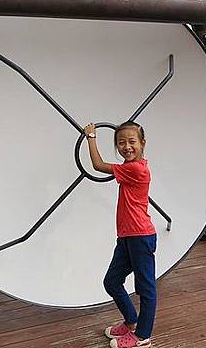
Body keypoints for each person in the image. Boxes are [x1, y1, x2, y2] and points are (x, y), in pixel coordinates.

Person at [84, 120, 156, 348]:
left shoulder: (135, 169)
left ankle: (143, 336)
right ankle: (131, 320)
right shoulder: (129, 168)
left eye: (132, 141)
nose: (126, 146)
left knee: (146, 288)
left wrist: (91, 137)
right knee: (112, 281)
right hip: (127, 237)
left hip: (140, 237)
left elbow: (97, 165)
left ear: (143, 143)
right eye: (121, 142)